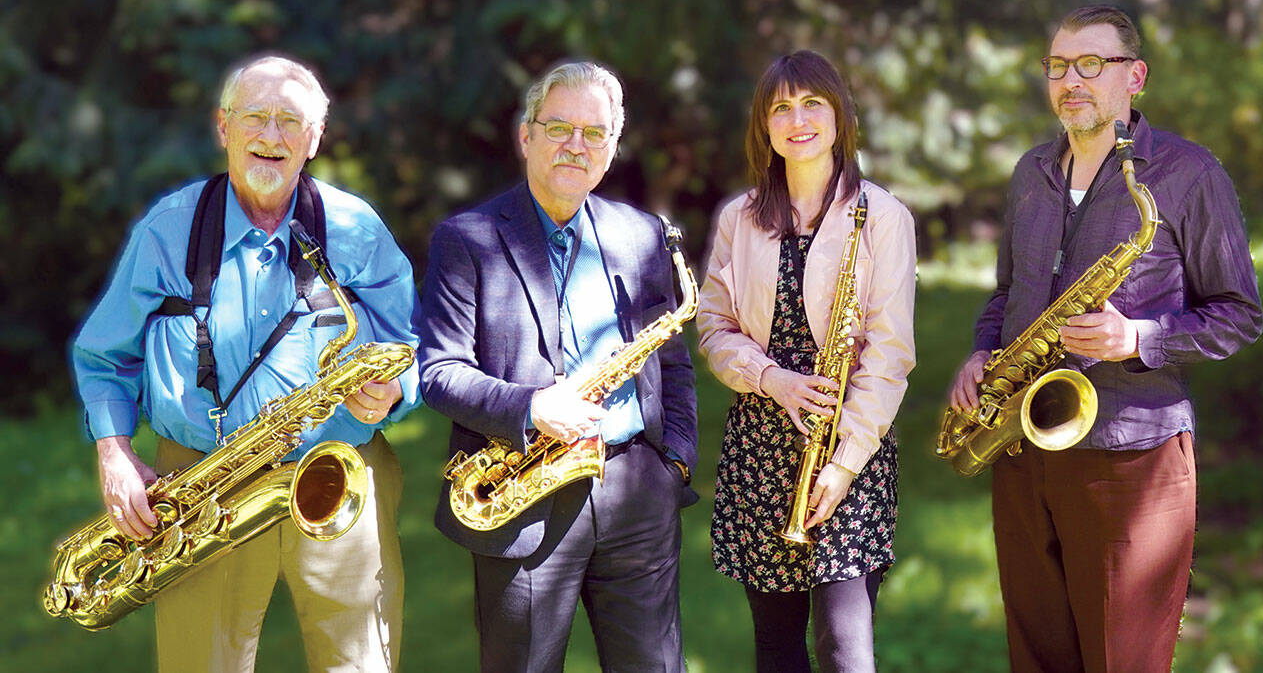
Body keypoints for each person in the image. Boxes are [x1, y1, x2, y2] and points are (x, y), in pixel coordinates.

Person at [72, 54, 419, 672]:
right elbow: (104, 355)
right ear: (223, 127)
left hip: (338, 470)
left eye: (290, 121)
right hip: (201, 483)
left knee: (360, 662)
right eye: (255, 117)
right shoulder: (167, 231)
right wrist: (114, 452)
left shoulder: (355, 228)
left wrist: (394, 388)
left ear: (314, 140)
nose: (270, 136)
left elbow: (408, 342)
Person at [947, 5, 1263, 672]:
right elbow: (1007, 293)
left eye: (1092, 64)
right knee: (1036, 658)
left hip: (1131, 458)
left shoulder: (1189, 174)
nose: (1072, 80)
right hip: (1023, 450)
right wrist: (980, 353)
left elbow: (1239, 313)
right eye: (1058, 66)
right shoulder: (1032, 172)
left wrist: (1139, 338)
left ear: (1135, 76)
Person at [416, 60, 698, 672]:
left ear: (612, 148)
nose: (577, 145)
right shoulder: (467, 239)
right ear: (526, 137)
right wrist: (530, 407)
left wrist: (674, 458)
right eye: (559, 128)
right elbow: (438, 370)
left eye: (594, 133)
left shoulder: (642, 235)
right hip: (522, 493)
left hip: (636, 492)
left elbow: (672, 362)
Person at [697, 50, 916, 672]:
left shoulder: (883, 217)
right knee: (776, 647)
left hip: (850, 443)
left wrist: (844, 464)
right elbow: (715, 327)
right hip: (764, 438)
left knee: (846, 649)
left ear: (839, 114)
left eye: (812, 103)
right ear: (764, 127)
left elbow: (890, 354)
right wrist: (774, 380)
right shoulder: (739, 218)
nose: (798, 120)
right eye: (781, 108)